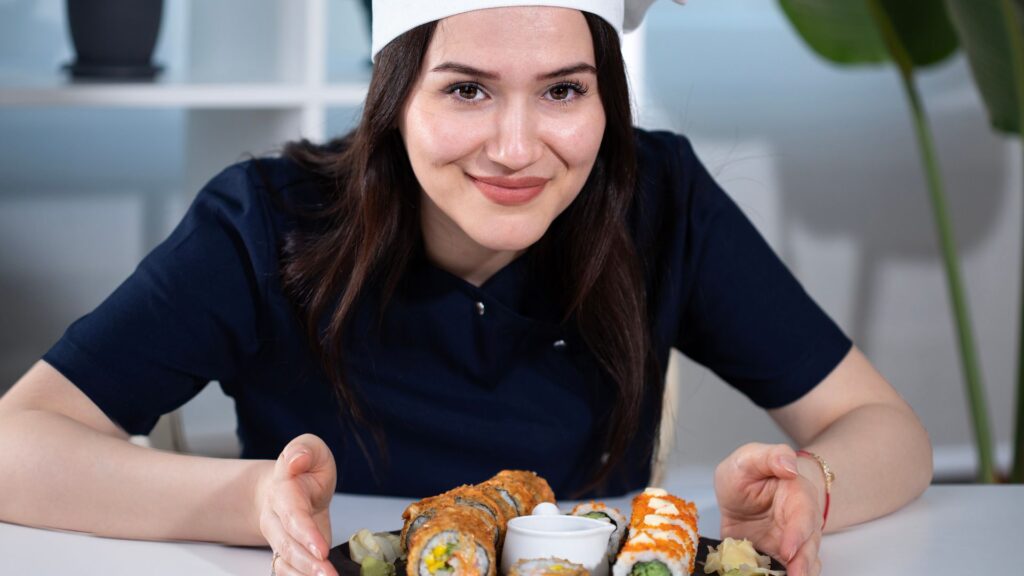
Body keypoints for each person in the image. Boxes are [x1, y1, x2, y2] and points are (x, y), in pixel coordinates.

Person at [0, 2, 933, 576]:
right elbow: (15, 445)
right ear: (393, 99)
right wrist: (251, 504)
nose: (519, 148)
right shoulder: (265, 220)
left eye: (564, 91)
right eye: (467, 91)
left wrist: (810, 486)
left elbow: (887, 431)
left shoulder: (658, 197)